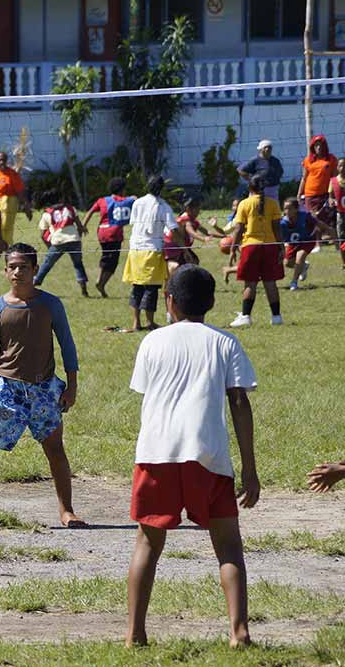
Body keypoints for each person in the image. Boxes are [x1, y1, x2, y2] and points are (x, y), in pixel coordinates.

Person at [126, 264, 259, 649]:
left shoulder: (152, 342)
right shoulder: (225, 342)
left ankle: (135, 634)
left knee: (147, 544)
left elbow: (144, 390)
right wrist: (249, 468)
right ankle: (239, 632)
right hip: (208, 454)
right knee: (228, 545)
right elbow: (239, 402)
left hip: (156, 453)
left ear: (168, 301)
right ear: (213, 302)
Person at [0, 242, 84, 528]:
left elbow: (67, 346)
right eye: (12, 267)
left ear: (35, 269)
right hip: (5, 388)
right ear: (5, 271)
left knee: (55, 448)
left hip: (44, 389)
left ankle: (67, 510)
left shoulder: (51, 305)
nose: (17, 272)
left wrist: (72, 385)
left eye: (23, 267)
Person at [122, 176, 182, 332]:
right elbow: (173, 229)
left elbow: (134, 223)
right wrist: (184, 246)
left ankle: (136, 323)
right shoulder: (163, 206)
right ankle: (150, 322)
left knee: (137, 286)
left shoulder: (138, 202)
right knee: (152, 288)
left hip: (135, 249)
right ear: (162, 189)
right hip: (152, 250)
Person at [228, 176, 284, 328]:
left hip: (251, 247)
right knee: (270, 283)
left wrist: (233, 248)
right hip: (270, 246)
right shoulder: (273, 203)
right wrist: (281, 247)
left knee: (250, 283)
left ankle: (246, 316)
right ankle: (276, 317)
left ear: (249, 188)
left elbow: (239, 229)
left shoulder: (244, 204)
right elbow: (277, 228)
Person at [82, 178, 135, 297]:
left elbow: (90, 211)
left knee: (106, 256)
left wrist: (83, 225)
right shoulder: (128, 201)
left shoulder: (102, 200)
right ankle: (101, 283)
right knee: (113, 261)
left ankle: (100, 279)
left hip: (102, 232)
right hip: (115, 234)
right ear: (122, 190)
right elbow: (135, 200)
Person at [32, 189, 89, 296]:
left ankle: (35, 282)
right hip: (74, 240)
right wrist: (79, 236)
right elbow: (79, 225)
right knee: (78, 264)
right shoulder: (70, 208)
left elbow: (43, 235)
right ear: (60, 199)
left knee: (47, 263)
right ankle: (84, 288)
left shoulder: (47, 214)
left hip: (58, 241)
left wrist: (49, 247)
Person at [0, 152, 30, 265]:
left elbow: (20, 191)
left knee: (1, 231)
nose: (2, 162)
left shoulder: (12, 174)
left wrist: (26, 206)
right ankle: (10, 255)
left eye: (4, 160)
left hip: (8, 205)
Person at [280, 197, 333, 291]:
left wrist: (328, 229)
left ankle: (294, 282)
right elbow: (281, 236)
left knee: (299, 258)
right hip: (294, 243)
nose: (287, 211)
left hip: (307, 240)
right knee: (287, 263)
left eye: (290, 208)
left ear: (296, 209)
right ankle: (303, 266)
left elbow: (318, 223)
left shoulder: (305, 216)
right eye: (285, 209)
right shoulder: (283, 222)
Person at [163, 196, 214, 277]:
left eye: (199, 210)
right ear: (188, 209)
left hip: (181, 246)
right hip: (172, 246)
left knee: (194, 261)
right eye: (196, 210)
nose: (198, 213)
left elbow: (207, 232)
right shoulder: (185, 220)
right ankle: (171, 281)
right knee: (176, 266)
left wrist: (224, 236)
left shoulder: (193, 220)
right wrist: (203, 239)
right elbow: (191, 232)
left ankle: (187, 280)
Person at [298, 134, 338, 233]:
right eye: (316, 145)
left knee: (325, 218)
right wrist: (299, 193)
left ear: (325, 146)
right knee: (312, 218)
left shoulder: (331, 159)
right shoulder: (308, 160)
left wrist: (332, 195)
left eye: (321, 145)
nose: (319, 147)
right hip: (310, 195)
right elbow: (304, 178)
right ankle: (313, 238)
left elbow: (334, 178)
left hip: (325, 194)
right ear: (313, 147)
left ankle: (327, 236)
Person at [328, 157, 345, 269]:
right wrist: (331, 201)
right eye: (340, 165)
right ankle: (344, 262)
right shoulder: (333, 181)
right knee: (342, 238)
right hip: (340, 215)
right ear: (337, 167)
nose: (343, 168)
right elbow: (330, 197)